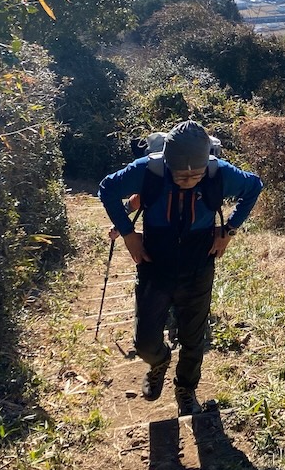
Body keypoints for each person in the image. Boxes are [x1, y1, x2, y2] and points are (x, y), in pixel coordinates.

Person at [99, 120, 263, 415]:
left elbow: (253, 187)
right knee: (146, 342)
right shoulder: (149, 170)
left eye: (195, 175)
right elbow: (108, 189)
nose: (187, 180)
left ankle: (186, 388)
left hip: (198, 259)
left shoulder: (219, 172)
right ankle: (159, 361)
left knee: (193, 336)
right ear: (167, 162)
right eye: (180, 175)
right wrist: (128, 233)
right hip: (154, 259)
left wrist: (229, 229)